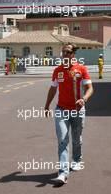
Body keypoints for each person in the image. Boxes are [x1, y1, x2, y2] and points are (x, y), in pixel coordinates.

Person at [44, 43, 93, 184]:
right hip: (61, 110)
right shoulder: (57, 70)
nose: (64, 54)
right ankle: (63, 173)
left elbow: (90, 88)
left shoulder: (81, 69)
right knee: (63, 141)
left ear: (73, 54)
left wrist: (84, 99)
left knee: (76, 139)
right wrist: (47, 105)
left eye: (67, 52)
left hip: (78, 110)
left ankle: (77, 159)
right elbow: (53, 89)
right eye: (63, 52)